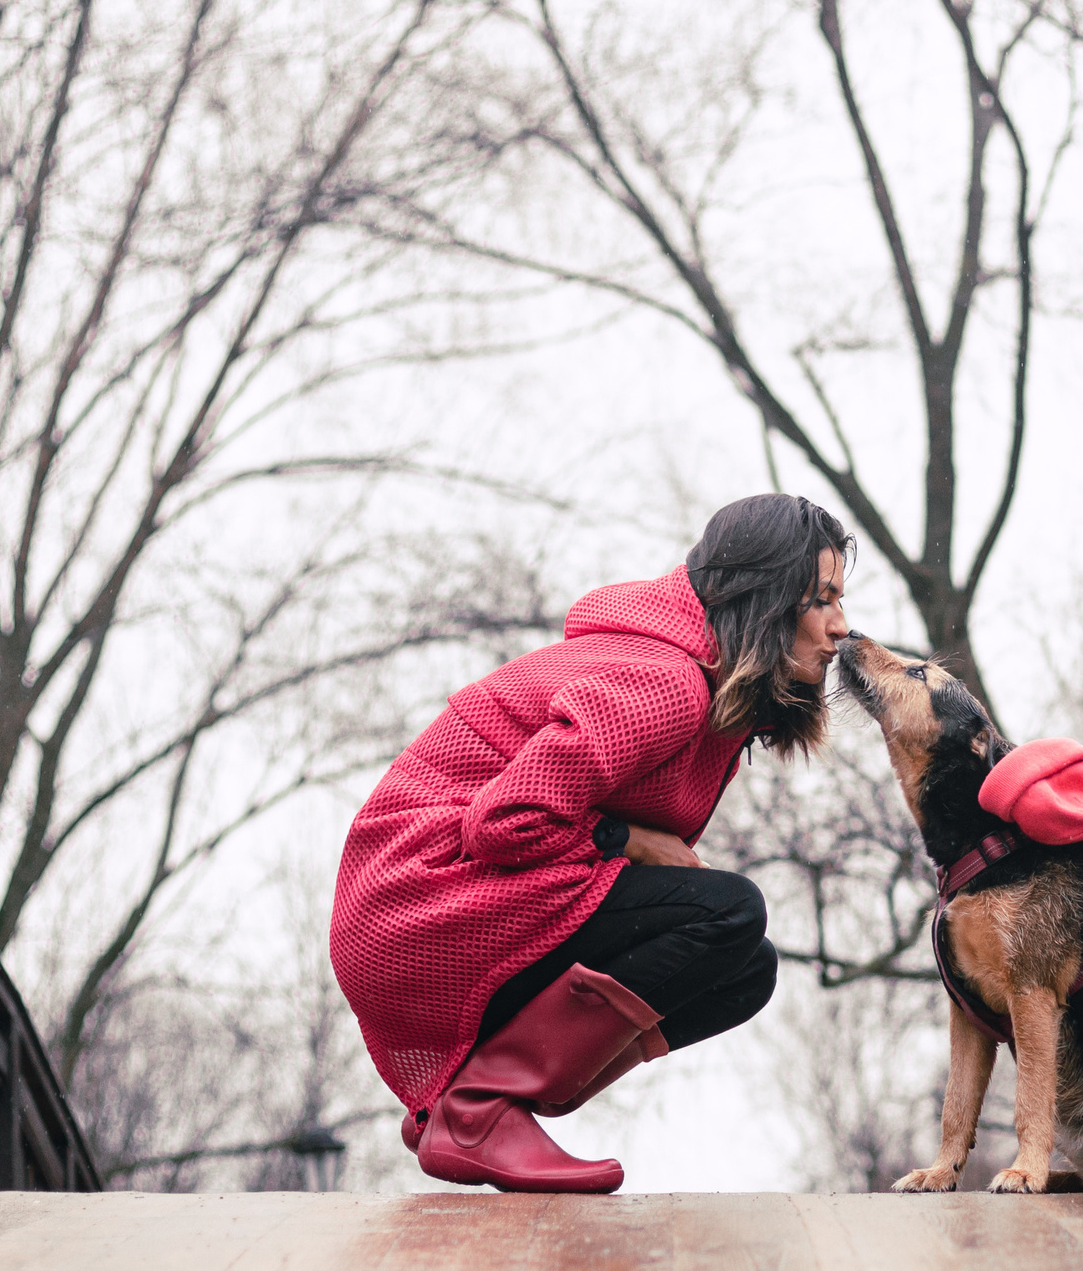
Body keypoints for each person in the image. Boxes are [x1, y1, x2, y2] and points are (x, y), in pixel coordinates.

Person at [331, 494, 851, 1193]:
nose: (840, 627)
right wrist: (633, 841)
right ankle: (480, 1109)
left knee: (743, 968)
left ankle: (485, 1101)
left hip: (442, 899)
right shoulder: (667, 681)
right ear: (765, 598)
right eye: (819, 600)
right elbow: (504, 821)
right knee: (726, 913)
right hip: (415, 895)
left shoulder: (699, 680)